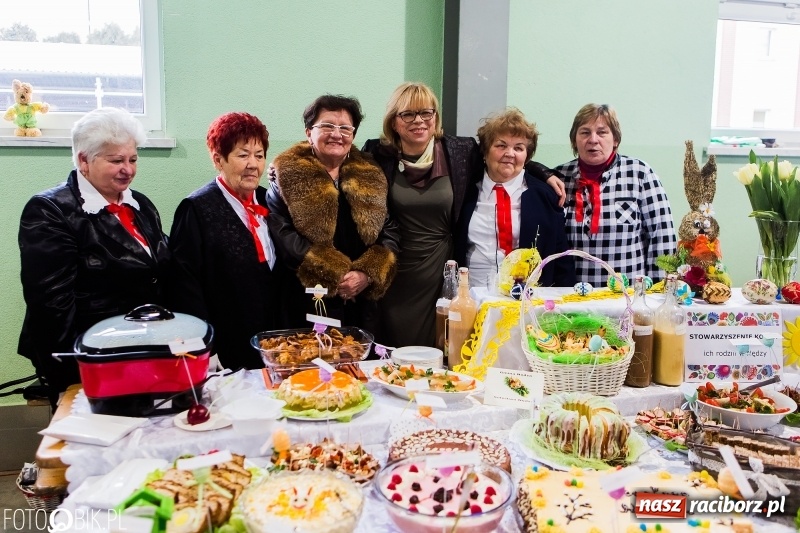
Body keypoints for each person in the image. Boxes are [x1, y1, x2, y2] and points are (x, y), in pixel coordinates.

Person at [363, 82, 566, 347]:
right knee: (394, 344)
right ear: (394, 121)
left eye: (427, 113)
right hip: (397, 267)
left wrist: (544, 173)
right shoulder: (376, 155)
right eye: (408, 114)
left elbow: (504, 157)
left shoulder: (458, 150)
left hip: (442, 268)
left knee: (443, 344)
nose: (419, 121)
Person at [18, 107, 170, 409]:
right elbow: (51, 305)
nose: (128, 169)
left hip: (141, 351)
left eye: (133, 159)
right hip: (90, 357)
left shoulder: (139, 203)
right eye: (116, 161)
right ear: (83, 160)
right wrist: (74, 374)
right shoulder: (50, 210)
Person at [267, 95, 399, 334]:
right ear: (309, 132)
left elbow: (389, 229)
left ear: (353, 135)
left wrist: (366, 274)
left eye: (345, 128)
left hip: (360, 300)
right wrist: (332, 273)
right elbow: (281, 232)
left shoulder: (371, 173)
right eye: (327, 126)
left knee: (358, 363)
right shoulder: (287, 174)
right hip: (306, 297)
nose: (337, 134)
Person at [168, 112, 282, 370]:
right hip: (225, 348)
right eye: (243, 155)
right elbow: (184, 288)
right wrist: (205, 349)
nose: (253, 164)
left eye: (260, 155)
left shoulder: (270, 201)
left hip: (274, 346)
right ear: (218, 159)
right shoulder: (195, 209)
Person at [555, 104, 676, 286]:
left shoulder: (639, 173)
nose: (593, 140)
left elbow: (662, 236)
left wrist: (659, 293)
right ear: (574, 140)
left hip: (627, 298)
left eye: (602, 132)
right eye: (584, 132)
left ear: (616, 139)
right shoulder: (559, 178)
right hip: (571, 298)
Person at [454, 108, 575, 288]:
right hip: (473, 296)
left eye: (518, 148)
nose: (510, 153)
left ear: (526, 156)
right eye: (501, 145)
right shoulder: (464, 191)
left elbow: (561, 258)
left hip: (528, 303)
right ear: (485, 152)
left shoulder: (544, 196)